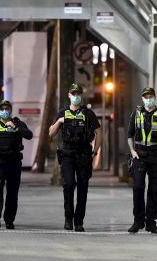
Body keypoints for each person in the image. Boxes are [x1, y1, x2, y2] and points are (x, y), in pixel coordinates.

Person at [49, 83, 101, 232]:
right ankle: (68, 218)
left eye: (78, 94)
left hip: (84, 154)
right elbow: (50, 134)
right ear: (69, 95)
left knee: (83, 189)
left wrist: (95, 151)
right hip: (67, 154)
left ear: (81, 95)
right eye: (73, 94)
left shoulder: (88, 114)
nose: (76, 96)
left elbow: (99, 132)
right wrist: (59, 122)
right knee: (69, 185)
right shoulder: (62, 113)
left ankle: (79, 222)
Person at [0, 100, 33, 229]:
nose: (4, 111)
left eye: (7, 108)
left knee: (12, 193)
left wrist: (16, 128)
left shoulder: (17, 123)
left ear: (10, 110)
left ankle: (9, 219)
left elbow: (29, 135)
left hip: (14, 164)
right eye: (2, 108)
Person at [127, 87, 157, 234]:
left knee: (154, 189)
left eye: (150, 96)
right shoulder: (136, 113)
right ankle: (138, 221)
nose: (148, 99)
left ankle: (151, 222)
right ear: (142, 98)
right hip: (140, 155)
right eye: (146, 96)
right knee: (138, 187)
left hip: (156, 156)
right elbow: (129, 135)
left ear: (154, 97)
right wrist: (132, 151)